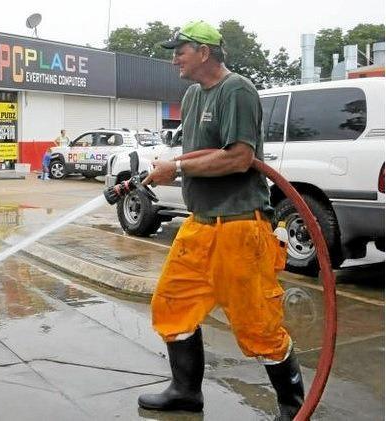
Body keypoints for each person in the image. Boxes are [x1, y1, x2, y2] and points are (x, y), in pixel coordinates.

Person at [137, 21, 304, 421]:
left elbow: (239, 157)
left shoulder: (238, 90)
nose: (173, 57)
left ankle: (294, 407)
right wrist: (173, 164)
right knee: (172, 305)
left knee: (257, 324)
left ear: (205, 52)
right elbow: (197, 155)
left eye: (180, 50)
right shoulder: (193, 95)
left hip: (240, 226)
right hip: (199, 224)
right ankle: (185, 392)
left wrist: (175, 168)